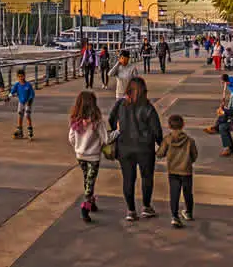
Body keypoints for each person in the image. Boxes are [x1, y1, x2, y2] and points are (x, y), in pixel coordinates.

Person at [109, 77, 163, 221]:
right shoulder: (148, 107)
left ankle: (131, 210)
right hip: (145, 148)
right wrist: (162, 144)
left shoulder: (120, 104)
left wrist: (118, 129)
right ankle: (146, 207)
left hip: (124, 147)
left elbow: (111, 120)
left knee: (128, 179)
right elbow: (157, 130)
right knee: (147, 178)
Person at [68, 90, 119, 223]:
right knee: (90, 181)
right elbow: (107, 139)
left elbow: (71, 138)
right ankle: (85, 207)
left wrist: (78, 147)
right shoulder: (97, 122)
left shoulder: (75, 121)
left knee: (87, 179)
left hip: (80, 156)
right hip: (93, 157)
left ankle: (92, 202)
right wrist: (118, 132)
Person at [156, 114, 198, 228]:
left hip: (173, 171)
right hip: (186, 171)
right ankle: (188, 212)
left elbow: (160, 154)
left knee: (174, 193)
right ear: (183, 125)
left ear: (169, 126)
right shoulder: (190, 141)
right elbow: (194, 155)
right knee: (187, 192)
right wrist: (188, 162)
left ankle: (175, 216)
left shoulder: (167, 140)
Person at [9, 69, 35, 139]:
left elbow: (32, 94)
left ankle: (30, 130)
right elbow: (12, 92)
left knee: (27, 115)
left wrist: (29, 102)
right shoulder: (17, 85)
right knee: (20, 115)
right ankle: (20, 130)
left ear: (24, 76)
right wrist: (8, 97)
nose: (21, 78)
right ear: (17, 77)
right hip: (21, 102)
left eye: (22, 76)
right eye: (19, 76)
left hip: (28, 102)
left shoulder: (28, 85)